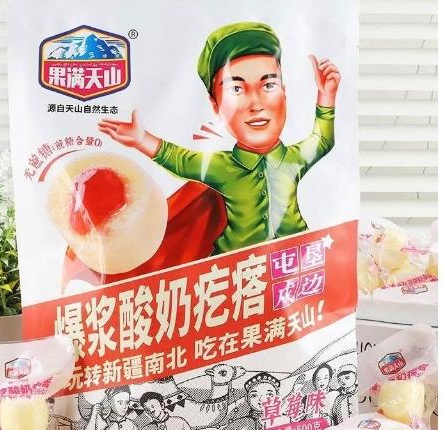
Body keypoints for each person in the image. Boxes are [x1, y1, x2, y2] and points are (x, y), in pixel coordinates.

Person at [98, 21, 341, 256]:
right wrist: (142, 139)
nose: (256, 104)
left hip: (296, 261)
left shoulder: (293, 159)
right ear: (215, 105)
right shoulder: (222, 167)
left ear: (284, 93)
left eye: (268, 85)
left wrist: (326, 96)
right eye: (236, 89)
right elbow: (181, 160)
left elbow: (322, 141)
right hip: (235, 269)